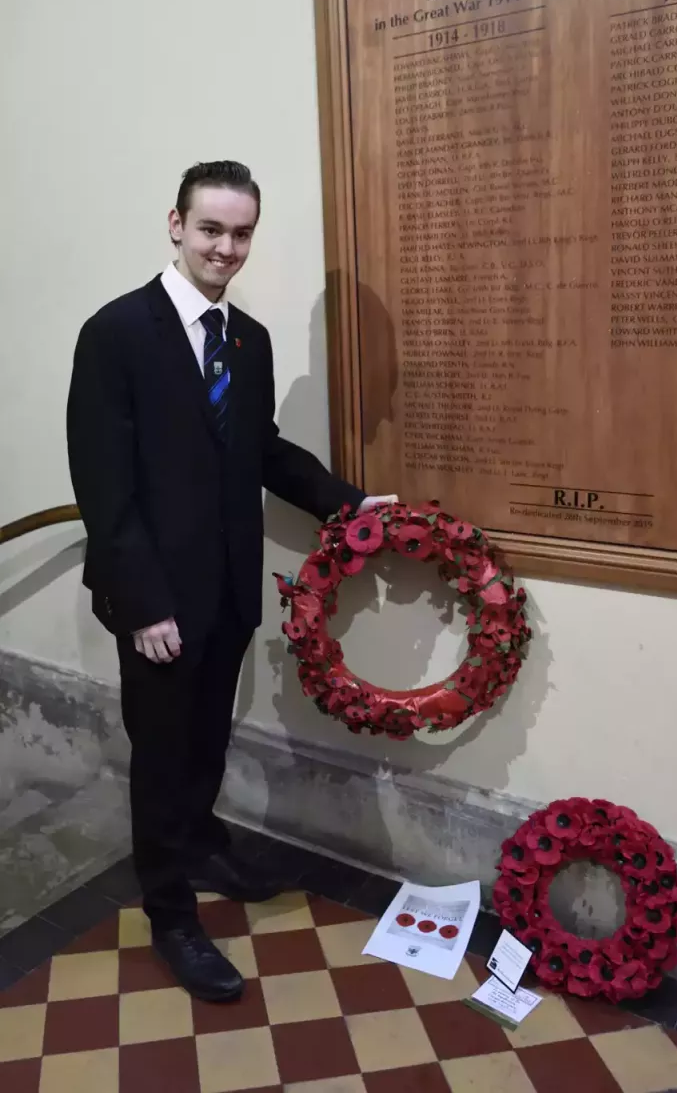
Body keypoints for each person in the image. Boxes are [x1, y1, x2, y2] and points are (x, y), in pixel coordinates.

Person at [67, 160, 394, 1002]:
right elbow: (103, 486)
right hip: (158, 602)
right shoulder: (116, 332)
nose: (226, 247)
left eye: (241, 233)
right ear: (176, 224)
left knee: (208, 738)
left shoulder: (246, 339)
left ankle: (204, 847)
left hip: (228, 591)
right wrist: (144, 604)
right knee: (162, 756)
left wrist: (348, 504)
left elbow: (261, 450)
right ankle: (170, 912)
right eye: (211, 228)